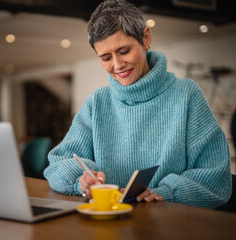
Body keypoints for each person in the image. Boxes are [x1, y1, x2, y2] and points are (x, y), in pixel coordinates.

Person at [44, 0, 231, 209]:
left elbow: (216, 178)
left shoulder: (187, 95)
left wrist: (165, 192)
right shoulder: (97, 103)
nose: (117, 65)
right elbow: (57, 164)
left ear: (146, 38)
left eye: (124, 51)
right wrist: (82, 179)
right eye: (106, 57)